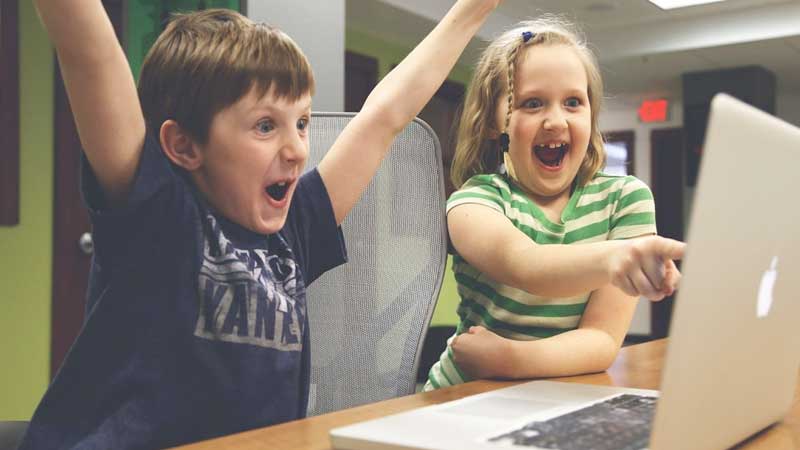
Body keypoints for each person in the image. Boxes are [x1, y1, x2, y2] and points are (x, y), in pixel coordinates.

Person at [23, 1, 502, 448]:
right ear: (185, 146)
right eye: (265, 126)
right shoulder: (157, 212)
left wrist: (471, 10)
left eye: (301, 122)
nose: (297, 149)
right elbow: (88, 52)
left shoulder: (296, 227)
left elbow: (385, 116)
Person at [424, 16, 685, 391]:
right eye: (532, 103)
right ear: (494, 122)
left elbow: (602, 340)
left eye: (573, 102)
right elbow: (528, 266)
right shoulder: (474, 202)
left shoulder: (626, 199)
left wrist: (509, 360)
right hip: (463, 395)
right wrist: (616, 257)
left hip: (554, 396)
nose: (555, 120)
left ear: (591, 114)